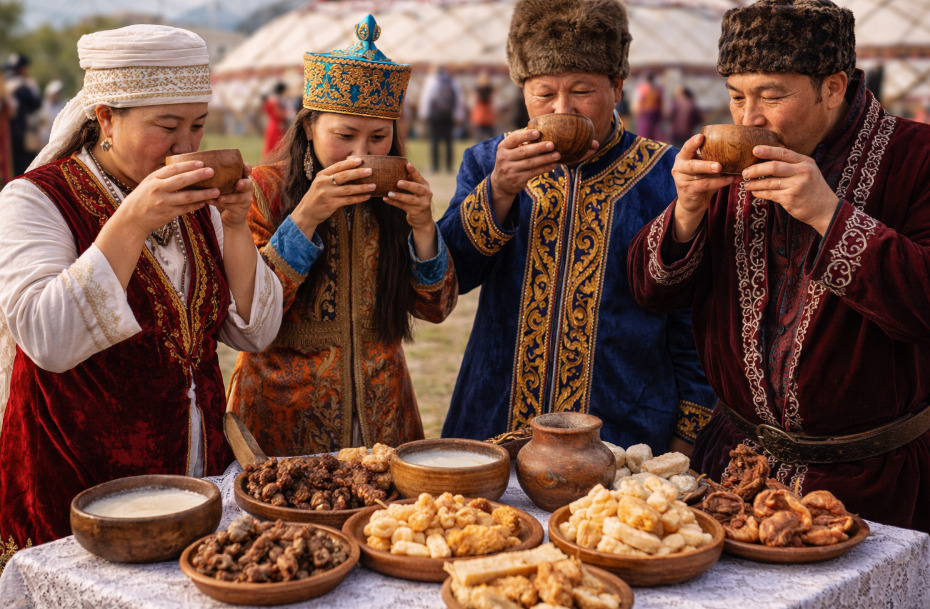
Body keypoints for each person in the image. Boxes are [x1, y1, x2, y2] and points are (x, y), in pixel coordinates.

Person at [627, 0, 930, 533]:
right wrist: (687, 212)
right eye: (736, 96)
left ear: (832, 87)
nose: (749, 118)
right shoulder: (731, 162)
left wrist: (829, 215)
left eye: (771, 96)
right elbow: (652, 292)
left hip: (872, 486)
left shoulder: (918, 157)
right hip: (732, 470)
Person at [0, 24, 284, 550]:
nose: (186, 145)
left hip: (195, 477)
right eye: (167, 125)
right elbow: (47, 339)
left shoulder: (198, 203)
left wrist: (236, 224)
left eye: (198, 125)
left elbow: (256, 332)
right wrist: (131, 220)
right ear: (106, 118)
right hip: (80, 486)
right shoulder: (37, 200)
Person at [438, 0, 715, 452]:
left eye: (582, 90)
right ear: (523, 92)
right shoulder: (489, 162)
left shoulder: (668, 175)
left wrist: (688, 433)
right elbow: (452, 277)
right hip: (496, 418)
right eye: (543, 93)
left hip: (624, 430)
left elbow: (696, 318)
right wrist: (499, 190)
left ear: (618, 86)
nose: (562, 107)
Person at [228, 15, 457, 456]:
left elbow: (437, 308)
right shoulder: (263, 190)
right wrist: (305, 218)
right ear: (309, 127)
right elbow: (250, 312)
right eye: (345, 135)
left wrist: (423, 228)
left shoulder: (398, 196)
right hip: (282, 410)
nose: (361, 154)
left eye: (379, 137)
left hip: (385, 411)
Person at [419, 65, 464, 173]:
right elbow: (458, 100)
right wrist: (459, 115)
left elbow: (426, 98)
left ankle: (435, 166)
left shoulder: (431, 81)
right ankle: (449, 167)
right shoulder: (453, 82)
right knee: (449, 141)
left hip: (435, 115)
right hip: (448, 115)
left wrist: (423, 114)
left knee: (434, 140)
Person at [4, 54, 41, 176]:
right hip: (21, 135)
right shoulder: (23, 85)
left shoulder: (4, 84)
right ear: (22, 69)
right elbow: (36, 103)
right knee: (24, 168)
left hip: (6, 134)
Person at [262, 81, 290, 157]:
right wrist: (288, 115)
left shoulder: (272, 99)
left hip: (272, 124)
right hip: (276, 126)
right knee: (276, 146)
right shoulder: (275, 100)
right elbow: (278, 113)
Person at [633, 71, 663, 140]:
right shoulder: (658, 89)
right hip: (655, 114)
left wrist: (637, 115)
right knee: (654, 136)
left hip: (645, 114)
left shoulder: (642, 88)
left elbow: (637, 104)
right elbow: (662, 104)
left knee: (644, 135)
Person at [38, 80, 66, 147]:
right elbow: (43, 123)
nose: (57, 95)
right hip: (46, 138)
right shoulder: (44, 106)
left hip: (58, 137)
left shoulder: (62, 105)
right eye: (56, 94)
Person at [471, 70, 497, 141]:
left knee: (490, 137)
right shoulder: (478, 90)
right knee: (481, 136)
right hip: (481, 117)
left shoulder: (489, 90)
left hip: (486, 116)